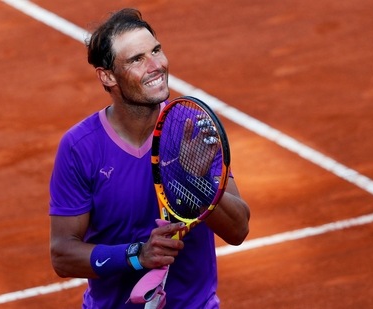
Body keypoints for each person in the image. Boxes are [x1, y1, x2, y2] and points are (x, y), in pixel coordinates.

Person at [49, 8, 250, 308]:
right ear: (108, 77)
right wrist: (137, 256)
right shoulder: (80, 148)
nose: (156, 65)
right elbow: (63, 255)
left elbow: (238, 230)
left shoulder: (191, 127)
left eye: (156, 50)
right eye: (136, 59)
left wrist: (194, 181)